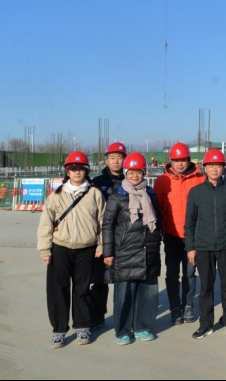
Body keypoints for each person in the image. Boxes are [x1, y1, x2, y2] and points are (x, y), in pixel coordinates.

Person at [37, 152, 106, 349]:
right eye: (73, 169)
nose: (77, 172)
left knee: (82, 289)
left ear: (86, 171)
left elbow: (103, 222)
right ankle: (58, 330)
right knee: (58, 290)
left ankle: (82, 326)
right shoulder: (57, 195)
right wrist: (45, 249)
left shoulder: (94, 194)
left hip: (87, 249)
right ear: (67, 172)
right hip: (60, 247)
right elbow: (45, 223)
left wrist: (101, 244)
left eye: (81, 169)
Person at [184, 150, 226, 340]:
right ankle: (205, 324)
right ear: (205, 168)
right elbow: (189, 223)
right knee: (206, 287)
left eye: (218, 165)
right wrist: (190, 248)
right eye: (210, 165)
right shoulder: (195, 192)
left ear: (223, 168)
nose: (214, 169)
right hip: (203, 246)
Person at [101, 153, 163, 345]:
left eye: (139, 172)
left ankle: (143, 327)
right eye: (131, 172)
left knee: (148, 293)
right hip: (125, 252)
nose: (135, 176)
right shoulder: (117, 196)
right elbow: (107, 225)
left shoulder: (151, 194)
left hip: (148, 250)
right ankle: (123, 331)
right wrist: (108, 252)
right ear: (126, 173)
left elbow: (158, 220)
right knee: (124, 295)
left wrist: (157, 239)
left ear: (144, 173)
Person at [154, 143, 205, 325]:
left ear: (189, 160)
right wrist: (160, 231)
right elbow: (157, 208)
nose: (180, 163)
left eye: (183, 160)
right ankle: (175, 307)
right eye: (176, 160)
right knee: (172, 274)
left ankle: (188, 306)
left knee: (190, 273)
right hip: (172, 235)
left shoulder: (200, 179)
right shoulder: (162, 181)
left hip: (193, 236)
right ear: (171, 161)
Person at [90, 142, 127, 331]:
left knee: (124, 280)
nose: (116, 161)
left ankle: (124, 316)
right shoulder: (97, 182)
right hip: (102, 237)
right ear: (106, 160)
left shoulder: (130, 180)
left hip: (124, 237)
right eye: (112, 158)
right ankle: (97, 317)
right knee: (99, 280)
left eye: (119, 158)